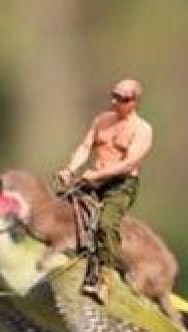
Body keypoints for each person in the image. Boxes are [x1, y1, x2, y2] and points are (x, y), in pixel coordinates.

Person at [57, 78, 154, 302]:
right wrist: (70, 169)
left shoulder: (142, 130)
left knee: (106, 223)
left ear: (134, 102)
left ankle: (105, 278)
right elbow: (84, 147)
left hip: (120, 185)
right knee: (62, 207)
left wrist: (97, 175)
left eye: (121, 98)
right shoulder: (102, 120)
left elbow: (129, 164)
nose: (115, 101)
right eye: (113, 95)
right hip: (94, 179)